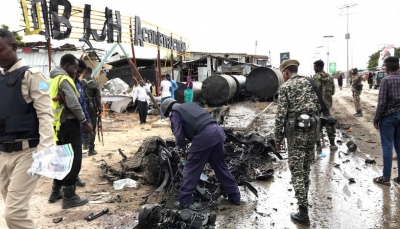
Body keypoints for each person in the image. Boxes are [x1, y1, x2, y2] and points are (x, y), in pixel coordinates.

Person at [0, 28, 54, 229]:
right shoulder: (1, 78)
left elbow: (45, 114)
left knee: (13, 213)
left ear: (13, 47)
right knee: (13, 207)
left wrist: (45, 150)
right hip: (3, 152)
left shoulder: (32, 75)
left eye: (0, 50)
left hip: (28, 153)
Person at [160, 98, 240, 209]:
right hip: (217, 132)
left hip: (204, 136)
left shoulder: (174, 113)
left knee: (191, 167)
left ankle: (184, 201)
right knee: (220, 166)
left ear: (167, 110)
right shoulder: (191, 105)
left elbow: (179, 137)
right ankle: (235, 195)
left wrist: (185, 151)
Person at [274, 59, 320, 226]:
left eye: (283, 74)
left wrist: (277, 139)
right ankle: (304, 202)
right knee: (306, 168)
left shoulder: (286, 87)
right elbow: (318, 107)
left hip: (296, 133)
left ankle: (303, 211)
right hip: (312, 130)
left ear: (286, 72)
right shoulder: (310, 83)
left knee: (296, 170)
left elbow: (280, 116)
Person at [48, 54, 93, 209]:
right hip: (69, 124)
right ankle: (70, 197)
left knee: (61, 158)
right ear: (66, 65)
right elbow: (73, 104)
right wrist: (84, 122)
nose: (76, 71)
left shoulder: (52, 79)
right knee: (73, 159)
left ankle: (55, 191)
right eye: (74, 67)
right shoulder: (64, 80)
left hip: (58, 126)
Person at [373, 56, 400, 186]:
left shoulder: (386, 80)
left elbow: (382, 102)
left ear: (387, 68)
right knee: (399, 147)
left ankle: (386, 177)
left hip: (388, 117)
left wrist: (376, 119)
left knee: (387, 146)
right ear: (398, 66)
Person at [74, 60, 91, 188]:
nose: (77, 74)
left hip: (78, 124)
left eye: (80, 73)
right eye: (77, 71)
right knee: (67, 154)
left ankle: (75, 176)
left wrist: (87, 122)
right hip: (66, 124)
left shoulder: (79, 84)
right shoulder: (65, 83)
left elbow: (82, 105)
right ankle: (62, 185)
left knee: (77, 154)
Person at [313, 60, 337, 150]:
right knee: (329, 123)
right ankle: (332, 144)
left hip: (317, 104)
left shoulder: (316, 77)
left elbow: (314, 91)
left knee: (317, 123)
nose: (314, 68)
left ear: (319, 67)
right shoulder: (330, 77)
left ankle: (318, 145)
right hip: (327, 105)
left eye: (315, 67)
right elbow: (333, 91)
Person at [81, 67, 102, 156]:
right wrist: (100, 110)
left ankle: (84, 144)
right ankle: (91, 149)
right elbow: (98, 98)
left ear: (85, 73)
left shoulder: (80, 83)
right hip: (92, 109)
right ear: (90, 73)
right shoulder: (94, 84)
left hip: (81, 109)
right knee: (92, 127)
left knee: (82, 125)